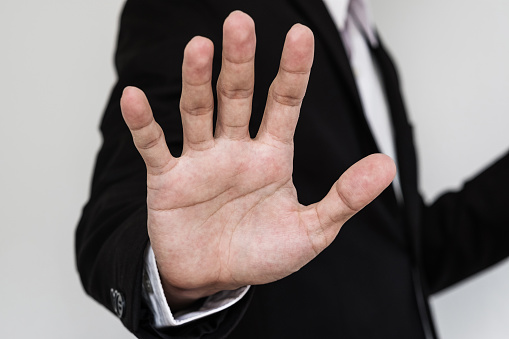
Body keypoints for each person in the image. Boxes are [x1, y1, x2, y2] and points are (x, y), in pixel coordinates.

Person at [76, 0, 509, 338]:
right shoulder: (196, 6)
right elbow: (116, 214)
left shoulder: (373, 50)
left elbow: (403, 252)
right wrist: (172, 278)